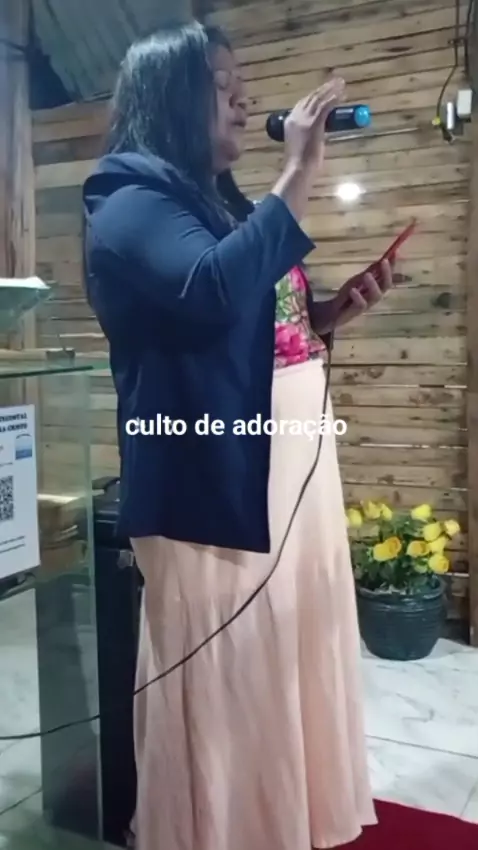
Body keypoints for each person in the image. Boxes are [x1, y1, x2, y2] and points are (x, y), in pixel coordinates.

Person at [82, 20, 393, 850]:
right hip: (211, 477)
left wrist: (325, 315)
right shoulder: (127, 201)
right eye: (222, 86)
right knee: (232, 671)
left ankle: (287, 823)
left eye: (242, 85)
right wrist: (300, 169)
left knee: (287, 648)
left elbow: (252, 317)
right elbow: (213, 292)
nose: (245, 101)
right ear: (169, 97)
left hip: (287, 463)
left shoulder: (222, 202)